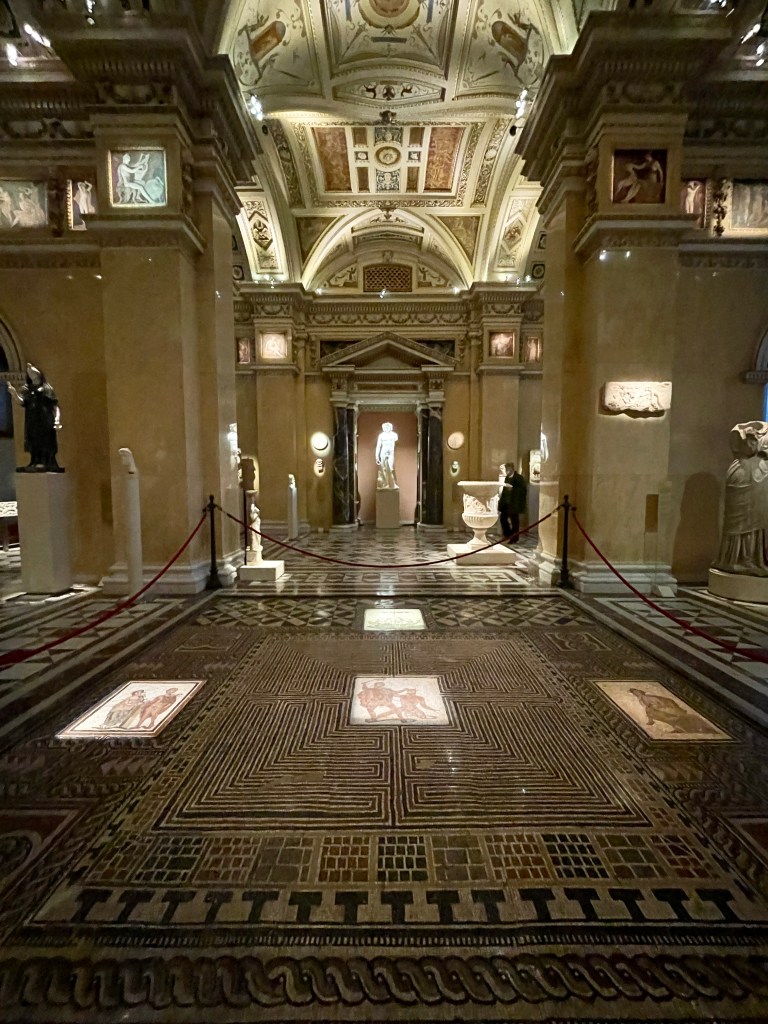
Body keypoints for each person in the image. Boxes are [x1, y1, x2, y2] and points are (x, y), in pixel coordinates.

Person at [712, 421, 768, 576]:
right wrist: (750, 437)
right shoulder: (741, 429)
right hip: (742, 474)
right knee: (738, 521)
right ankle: (734, 559)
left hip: (762, 477)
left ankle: (754, 558)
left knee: (760, 518)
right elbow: (742, 446)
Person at [6, 363, 63, 472]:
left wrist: (57, 419)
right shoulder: (28, 389)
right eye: (31, 375)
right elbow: (22, 402)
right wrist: (14, 394)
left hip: (45, 419)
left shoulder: (47, 389)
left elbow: (55, 406)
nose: (33, 377)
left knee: (45, 440)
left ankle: (47, 461)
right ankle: (35, 460)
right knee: (33, 440)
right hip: (32, 420)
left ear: (39, 375)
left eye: (34, 374)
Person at [498, 461, 527, 542]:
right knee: (503, 518)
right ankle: (507, 534)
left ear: (512, 469)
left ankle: (514, 538)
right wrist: (501, 504)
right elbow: (504, 491)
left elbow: (523, 490)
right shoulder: (507, 478)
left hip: (514, 503)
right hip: (506, 504)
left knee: (514, 521)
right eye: (506, 469)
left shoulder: (519, 478)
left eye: (509, 468)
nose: (507, 470)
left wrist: (513, 489)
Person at [375, 421, 398, 489]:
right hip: (383, 451)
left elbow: (396, 440)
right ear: (383, 428)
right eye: (385, 427)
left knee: (391, 468)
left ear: (391, 428)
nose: (387, 428)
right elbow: (378, 446)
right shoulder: (381, 435)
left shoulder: (394, 435)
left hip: (391, 451)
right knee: (383, 468)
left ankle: (392, 484)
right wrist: (377, 456)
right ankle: (384, 484)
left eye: (388, 427)